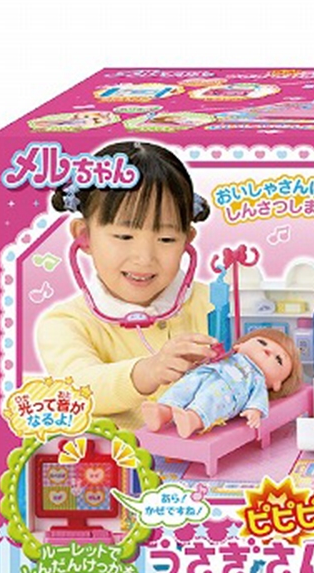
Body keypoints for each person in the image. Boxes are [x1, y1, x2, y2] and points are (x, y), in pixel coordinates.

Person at [37, 141, 216, 430]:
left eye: (166, 239)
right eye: (124, 237)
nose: (144, 258)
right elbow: (78, 387)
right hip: (119, 456)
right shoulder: (65, 324)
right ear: (84, 236)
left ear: (187, 240)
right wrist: (146, 372)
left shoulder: (216, 304)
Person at [141, 328, 302, 437]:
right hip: (205, 374)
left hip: (227, 393)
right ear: (239, 346)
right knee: (184, 386)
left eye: (278, 359)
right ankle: (163, 411)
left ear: (277, 384)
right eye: (262, 342)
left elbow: (259, 398)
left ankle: (192, 419)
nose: (268, 350)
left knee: (210, 399)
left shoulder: (257, 379)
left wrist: (254, 411)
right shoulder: (230, 357)